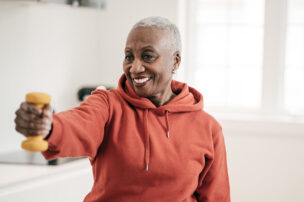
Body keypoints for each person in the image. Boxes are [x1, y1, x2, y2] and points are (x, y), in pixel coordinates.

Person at [14, 16, 230, 202]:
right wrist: (49, 126)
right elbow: (80, 122)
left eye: (147, 56)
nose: (135, 67)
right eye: (129, 56)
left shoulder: (208, 128)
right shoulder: (108, 105)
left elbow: (216, 197)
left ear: (175, 61)